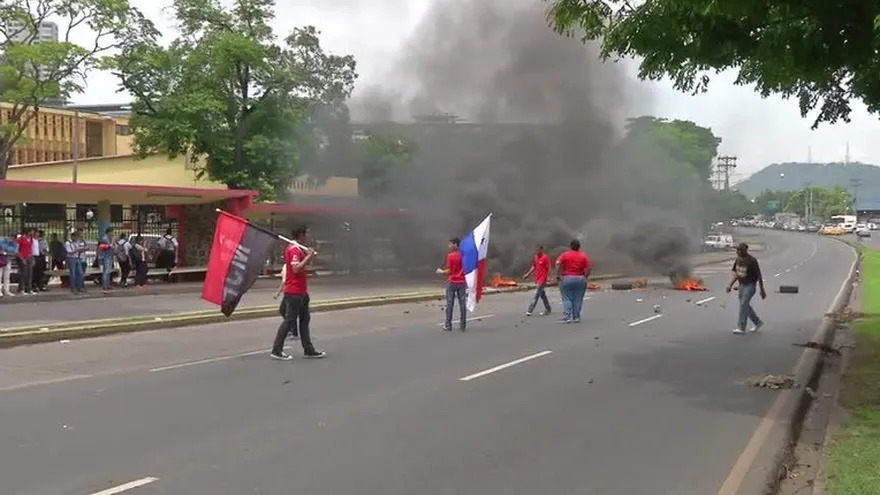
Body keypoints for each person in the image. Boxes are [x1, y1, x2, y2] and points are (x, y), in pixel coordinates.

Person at [270, 226, 326, 360]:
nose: (307, 236)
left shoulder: (297, 248)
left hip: (301, 291)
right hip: (294, 292)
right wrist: (309, 256)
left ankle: (309, 349)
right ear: (301, 235)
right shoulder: (294, 249)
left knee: (305, 319)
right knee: (289, 321)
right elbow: (296, 269)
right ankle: (277, 350)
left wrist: (307, 255)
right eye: (306, 234)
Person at [725, 242, 766, 334]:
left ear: (744, 251)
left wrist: (762, 290)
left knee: (743, 304)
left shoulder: (752, 261)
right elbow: (736, 274)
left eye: (738, 250)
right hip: (741, 285)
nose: (737, 252)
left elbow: (759, 276)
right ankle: (757, 322)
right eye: (737, 250)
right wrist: (730, 285)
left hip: (750, 285)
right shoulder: (738, 260)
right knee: (745, 306)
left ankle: (741, 328)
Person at [555, 239, 592, 324]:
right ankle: (576, 317)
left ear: (571, 246)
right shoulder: (584, 256)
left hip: (567, 278)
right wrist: (585, 276)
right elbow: (589, 267)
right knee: (578, 298)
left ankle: (566, 316)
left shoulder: (565, 255)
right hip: (580, 278)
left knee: (567, 298)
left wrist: (558, 275)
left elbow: (557, 264)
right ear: (579, 247)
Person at [435, 237, 467, 332]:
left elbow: (449, 271)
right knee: (462, 304)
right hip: (461, 282)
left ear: (456, 245)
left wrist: (441, 272)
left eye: (450, 244)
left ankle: (448, 325)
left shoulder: (450, 256)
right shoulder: (463, 255)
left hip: (452, 282)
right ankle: (463, 325)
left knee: (450, 304)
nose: (449, 246)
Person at [522, 244, 552, 316]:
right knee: (542, 295)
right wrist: (527, 274)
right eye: (536, 251)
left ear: (542, 250)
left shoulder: (545, 258)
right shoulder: (535, 257)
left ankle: (530, 310)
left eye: (539, 250)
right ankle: (548, 308)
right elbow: (533, 266)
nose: (537, 252)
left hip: (542, 279)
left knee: (536, 295)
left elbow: (549, 268)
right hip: (537, 279)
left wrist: (549, 277)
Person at [273, 262, 298, 340]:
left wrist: (277, 293)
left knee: (288, 312)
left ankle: (293, 332)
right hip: (288, 292)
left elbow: (284, 282)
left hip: (291, 292)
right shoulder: (285, 266)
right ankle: (291, 330)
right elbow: (283, 280)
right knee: (283, 310)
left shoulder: (290, 266)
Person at [15, 228, 35, 295]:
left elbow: (30, 248)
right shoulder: (21, 239)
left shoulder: (31, 239)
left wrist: (32, 257)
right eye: (31, 231)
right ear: (28, 232)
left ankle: (29, 288)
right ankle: (21, 289)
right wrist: (22, 258)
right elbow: (17, 250)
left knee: (30, 273)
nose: (33, 233)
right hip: (22, 258)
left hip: (29, 257)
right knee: (23, 274)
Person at [97, 227, 115, 292]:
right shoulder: (104, 239)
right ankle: (104, 285)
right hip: (105, 256)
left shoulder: (112, 239)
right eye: (112, 232)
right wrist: (109, 246)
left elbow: (113, 245)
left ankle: (108, 284)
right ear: (108, 232)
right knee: (106, 271)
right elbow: (101, 247)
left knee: (108, 271)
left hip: (110, 255)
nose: (113, 233)